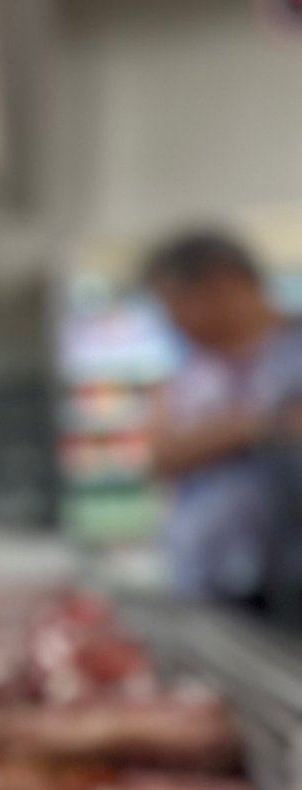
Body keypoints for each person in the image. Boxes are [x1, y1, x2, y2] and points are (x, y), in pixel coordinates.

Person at [144, 230, 302, 610]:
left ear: (222, 281)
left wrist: (222, 434)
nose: (173, 321)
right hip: (209, 587)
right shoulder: (191, 373)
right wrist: (257, 426)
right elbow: (160, 456)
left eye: (176, 303)